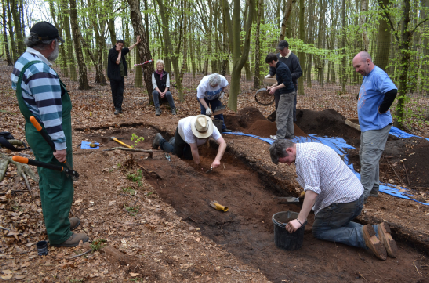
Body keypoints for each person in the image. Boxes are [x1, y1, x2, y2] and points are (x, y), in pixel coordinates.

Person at [11, 22, 88, 247]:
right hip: (47, 133)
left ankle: (57, 219)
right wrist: (59, 145)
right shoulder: (40, 70)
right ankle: (59, 233)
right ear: (52, 43)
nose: (57, 49)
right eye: (57, 45)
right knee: (58, 179)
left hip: (37, 129)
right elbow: (50, 113)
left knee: (49, 178)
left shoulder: (24, 60)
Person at [269, 139, 398, 260]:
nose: (288, 164)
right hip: (356, 197)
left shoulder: (305, 159)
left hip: (343, 202)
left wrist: (300, 219)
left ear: (290, 150)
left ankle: (361, 236)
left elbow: (313, 193)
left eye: (286, 161)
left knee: (320, 230)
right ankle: (377, 231)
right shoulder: (309, 147)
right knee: (335, 223)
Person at [352, 51, 397, 201]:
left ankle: (361, 196)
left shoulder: (377, 74)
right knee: (369, 158)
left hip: (376, 126)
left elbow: (391, 91)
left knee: (368, 160)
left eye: (358, 66)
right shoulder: (367, 75)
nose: (357, 70)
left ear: (368, 61)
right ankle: (373, 190)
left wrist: (383, 108)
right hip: (368, 125)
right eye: (355, 67)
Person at [152, 115, 226, 170]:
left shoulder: (212, 128)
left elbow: (222, 143)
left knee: (189, 157)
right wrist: (198, 165)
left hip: (190, 140)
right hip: (181, 134)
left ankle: (173, 141)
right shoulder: (188, 128)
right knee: (177, 154)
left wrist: (217, 159)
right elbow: (194, 149)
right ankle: (160, 140)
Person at [267, 40, 302, 121]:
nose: (280, 52)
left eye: (282, 50)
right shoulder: (277, 57)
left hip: (290, 87)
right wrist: (270, 74)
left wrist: (287, 77)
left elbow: (299, 72)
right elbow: (272, 67)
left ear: (287, 48)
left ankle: (291, 127)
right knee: (278, 106)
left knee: (290, 107)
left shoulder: (293, 58)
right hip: (279, 86)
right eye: (279, 50)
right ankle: (280, 125)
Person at [265, 53, 296, 140]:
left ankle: (280, 136)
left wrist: (275, 89)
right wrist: (272, 86)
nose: (270, 66)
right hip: (290, 93)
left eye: (270, 64)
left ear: (273, 61)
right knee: (289, 115)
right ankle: (289, 135)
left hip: (287, 94)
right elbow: (280, 81)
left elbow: (286, 82)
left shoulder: (281, 68)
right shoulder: (280, 66)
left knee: (280, 115)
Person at [107, 36, 141, 115]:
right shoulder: (111, 51)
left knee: (120, 91)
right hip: (113, 76)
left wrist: (136, 43)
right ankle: (116, 107)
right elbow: (117, 61)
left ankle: (118, 107)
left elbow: (129, 48)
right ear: (116, 44)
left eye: (122, 45)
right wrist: (119, 52)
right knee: (114, 92)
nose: (121, 47)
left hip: (120, 76)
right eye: (119, 45)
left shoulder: (122, 50)